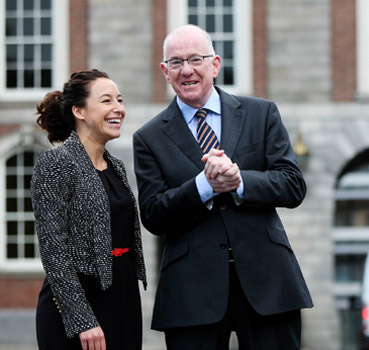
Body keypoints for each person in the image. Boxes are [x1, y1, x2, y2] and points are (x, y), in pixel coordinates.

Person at [132, 24, 312, 349]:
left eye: (195, 59)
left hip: (267, 281)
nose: (186, 70)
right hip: (191, 290)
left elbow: (292, 185)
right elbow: (153, 214)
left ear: (215, 64)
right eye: (176, 62)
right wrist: (204, 186)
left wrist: (240, 180)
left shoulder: (262, 113)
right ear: (164, 71)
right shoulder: (148, 137)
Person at [31, 69, 147, 350]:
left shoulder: (116, 167)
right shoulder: (56, 164)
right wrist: (82, 319)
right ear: (79, 111)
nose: (118, 108)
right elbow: (53, 250)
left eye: (120, 100)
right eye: (106, 101)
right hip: (77, 303)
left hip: (123, 295)